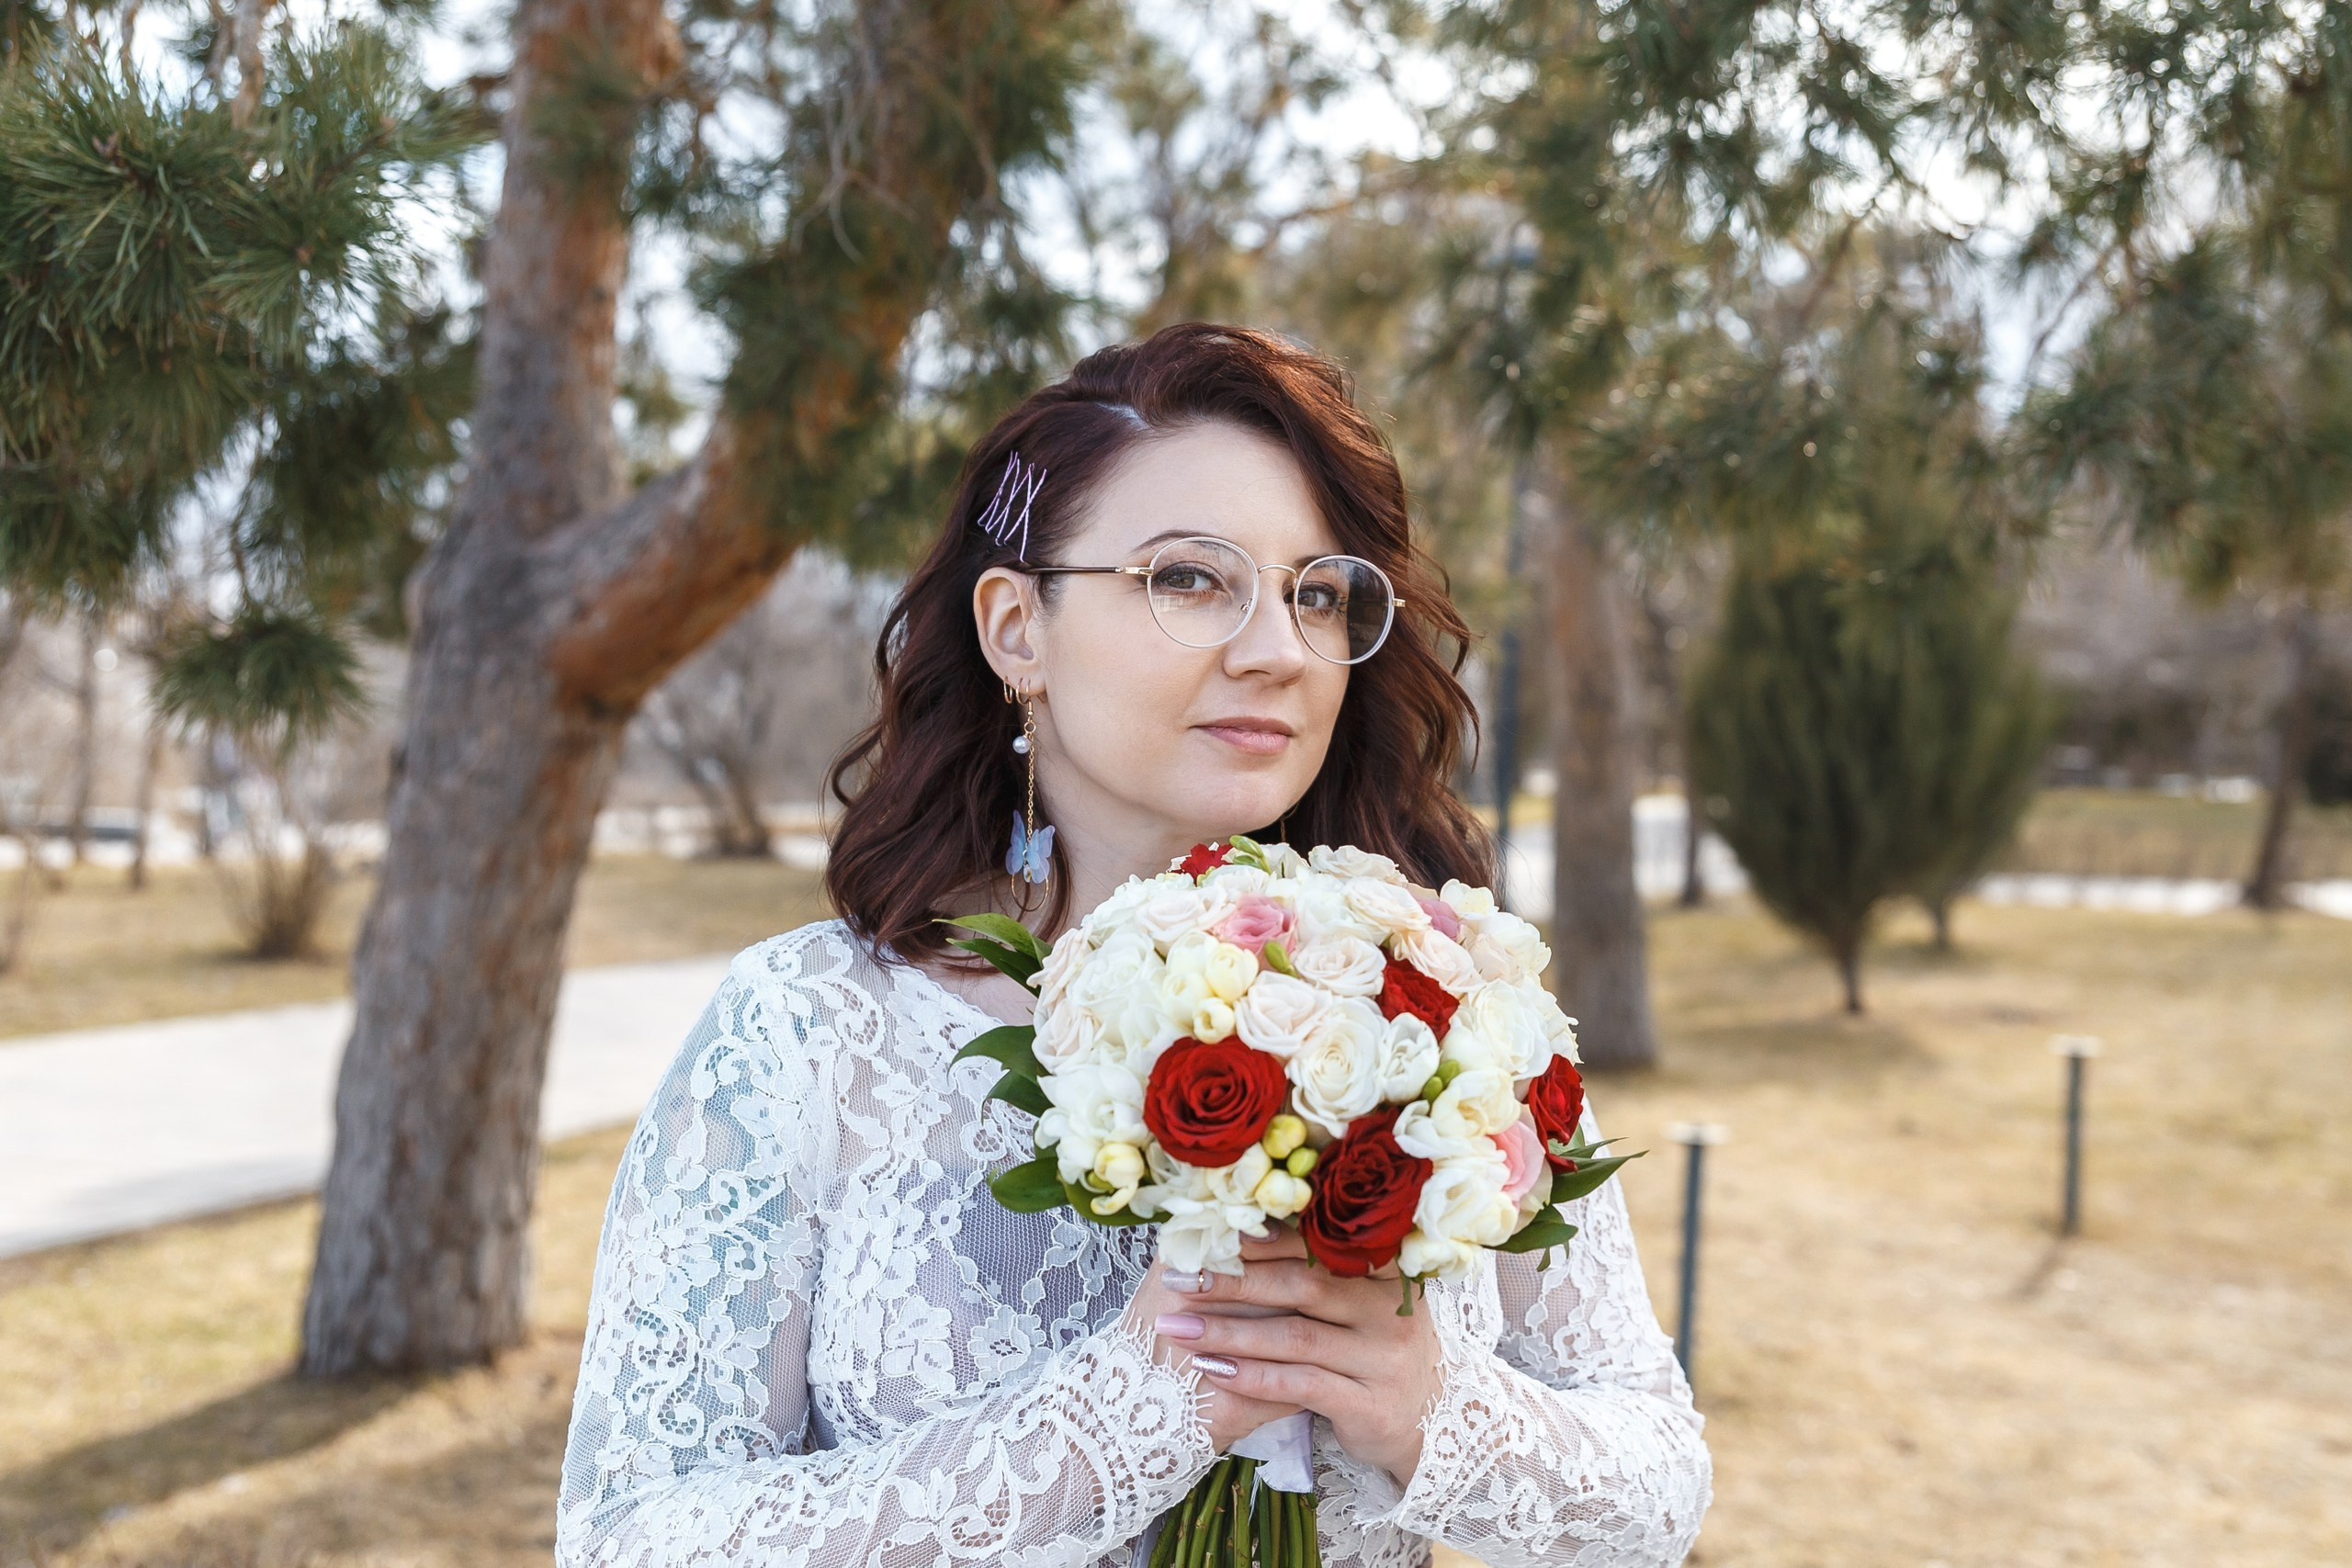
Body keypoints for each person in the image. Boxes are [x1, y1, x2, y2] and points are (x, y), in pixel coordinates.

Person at [555, 324, 1711, 1567]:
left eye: (1317, 593)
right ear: (1018, 628)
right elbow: (628, 1540)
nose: (1278, 651)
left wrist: (1433, 1414)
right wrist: (1114, 1423)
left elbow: (1658, 1488)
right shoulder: (813, 1030)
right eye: (1191, 579)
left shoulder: (1442, 1003)